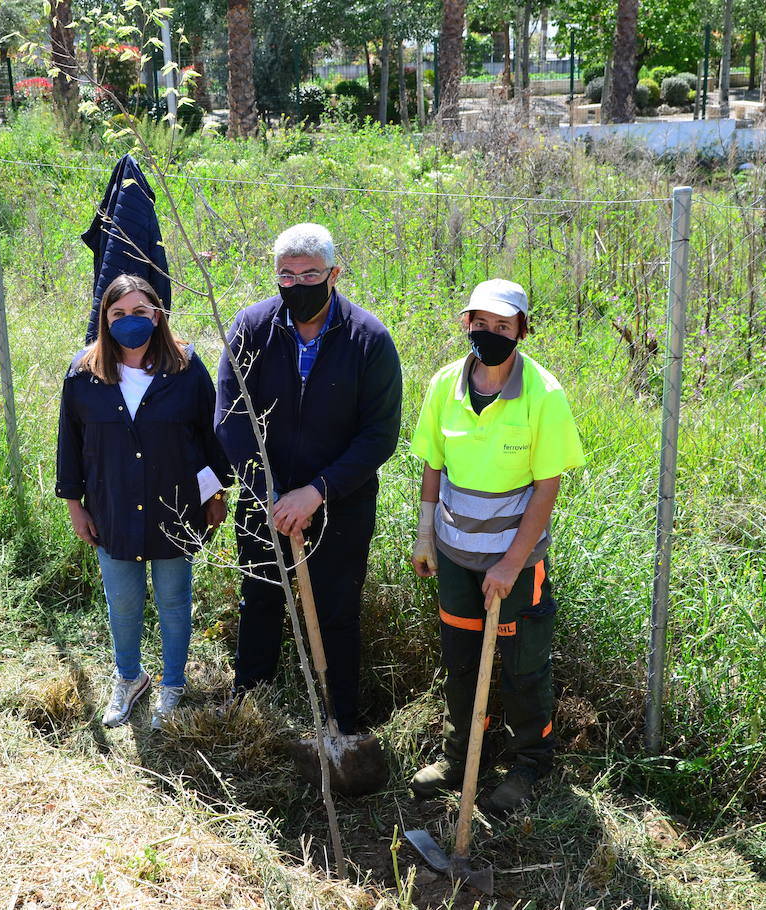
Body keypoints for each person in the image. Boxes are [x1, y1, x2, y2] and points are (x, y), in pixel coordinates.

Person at [214, 223, 402, 734]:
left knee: (337, 609)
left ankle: (342, 719)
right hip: (266, 499)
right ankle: (249, 708)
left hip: (340, 501)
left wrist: (316, 491)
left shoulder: (368, 339)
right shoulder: (251, 328)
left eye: (310, 275)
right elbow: (230, 417)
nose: (297, 285)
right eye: (287, 276)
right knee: (260, 599)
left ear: (334, 274)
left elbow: (379, 435)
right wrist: (269, 492)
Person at [407, 278, 585, 815]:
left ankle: (530, 763)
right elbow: (433, 464)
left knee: (523, 666)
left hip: (516, 564)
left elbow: (547, 487)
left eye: (503, 326)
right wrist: (425, 535)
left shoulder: (543, 395)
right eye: (480, 323)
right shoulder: (445, 385)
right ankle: (463, 758)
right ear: (466, 324)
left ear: (521, 332)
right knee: (461, 662)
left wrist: (510, 563)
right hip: (455, 556)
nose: (489, 333)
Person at [56, 275, 231, 729]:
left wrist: (217, 494)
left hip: (175, 506)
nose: (129, 321)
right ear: (105, 318)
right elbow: (70, 444)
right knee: (123, 602)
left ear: (157, 315)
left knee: (174, 600)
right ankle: (130, 677)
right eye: (118, 313)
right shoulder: (84, 373)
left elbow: (210, 436)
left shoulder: (186, 367)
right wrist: (75, 504)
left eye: (139, 311)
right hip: (112, 506)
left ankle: (173, 684)